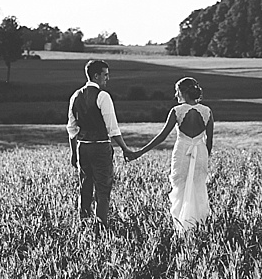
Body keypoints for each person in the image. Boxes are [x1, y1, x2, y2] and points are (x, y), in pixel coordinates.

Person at [126, 77, 213, 233]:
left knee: (179, 189)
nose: (175, 94)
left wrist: (139, 153)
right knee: (198, 188)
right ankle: (198, 226)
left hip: (182, 152)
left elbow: (161, 137)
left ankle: (181, 227)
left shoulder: (177, 111)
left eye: (177, 91)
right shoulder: (207, 111)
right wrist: (204, 158)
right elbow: (209, 141)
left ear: (184, 92)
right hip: (200, 153)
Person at [67, 59, 132, 226]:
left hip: (83, 148)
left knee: (85, 186)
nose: (107, 79)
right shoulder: (103, 96)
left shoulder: (75, 96)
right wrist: (125, 148)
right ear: (96, 76)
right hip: (101, 146)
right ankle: (101, 226)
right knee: (103, 188)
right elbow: (113, 128)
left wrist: (74, 153)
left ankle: (84, 223)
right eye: (105, 75)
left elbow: (72, 129)